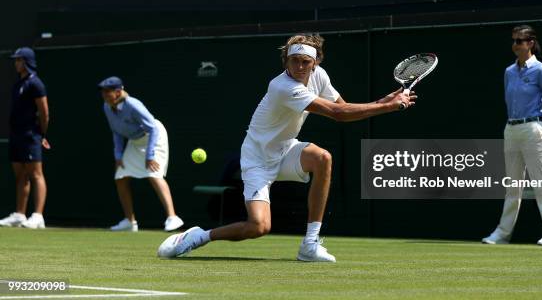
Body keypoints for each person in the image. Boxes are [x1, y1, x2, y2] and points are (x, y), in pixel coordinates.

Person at [157, 33, 416, 262]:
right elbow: (339, 114)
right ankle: (199, 236)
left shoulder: (319, 76)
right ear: (286, 62)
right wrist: (388, 107)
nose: (301, 66)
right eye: (295, 61)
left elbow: (344, 106)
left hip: (285, 149)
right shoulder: (282, 86)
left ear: (315, 63)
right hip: (257, 158)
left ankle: (310, 245)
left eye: (306, 62)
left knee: (322, 158)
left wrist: (382, 100)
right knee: (257, 227)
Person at [482, 25, 542, 247]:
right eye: (514, 40)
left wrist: (538, 121)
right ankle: (502, 233)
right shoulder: (509, 71)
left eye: (519, 40)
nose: (515, 44)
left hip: (533, 129)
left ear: (530, 43)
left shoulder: (540, 70)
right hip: (511, 129)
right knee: (512, 185)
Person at [98, 76, 184, 232]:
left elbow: (153, 128)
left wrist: (150, 155)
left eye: (107, 92)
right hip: (135, 142)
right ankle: (130, 221)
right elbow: (116, 131)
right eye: (103, 92)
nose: (104, 95)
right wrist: (118, 156)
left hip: (154, 137)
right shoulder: (106, 106)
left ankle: (173, 217)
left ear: (118, 92)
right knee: (120, 177)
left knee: (154, 174)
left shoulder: (133, 105)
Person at [0, 48, 50, 229]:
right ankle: (20, 215)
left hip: (31, 135)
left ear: (27, 62)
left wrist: (42, 134)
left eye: (19, 60)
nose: (16, 63)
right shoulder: (18, 84)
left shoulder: (36, 84)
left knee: (36, 174)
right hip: (17, 135)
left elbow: (44, 113)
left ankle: (38, 216)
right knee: (21, 175)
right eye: (15, 60)